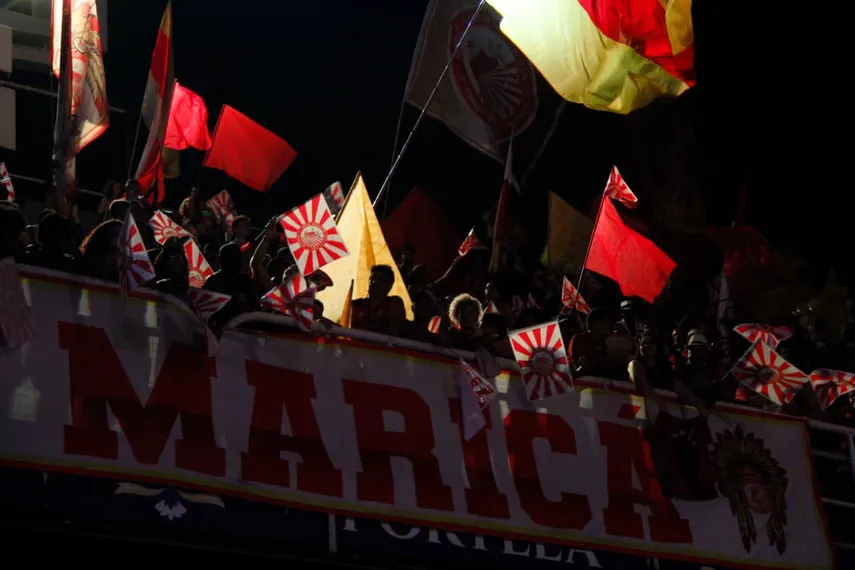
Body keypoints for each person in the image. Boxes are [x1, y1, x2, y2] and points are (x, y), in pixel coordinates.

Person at [350, 264, 406, 336]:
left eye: (381, 279)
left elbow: (394, 330)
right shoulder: (356, 304)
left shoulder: (394, 302)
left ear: (390, 285)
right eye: (372, 279)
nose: (375, 282)